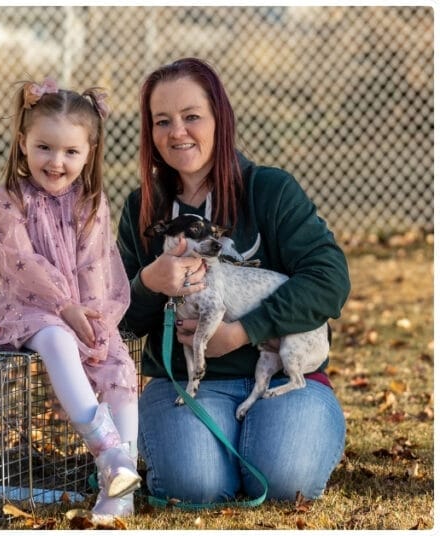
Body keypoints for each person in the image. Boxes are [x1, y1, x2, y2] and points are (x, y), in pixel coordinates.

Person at [116, 57, 349, 505]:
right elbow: (122, 322)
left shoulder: (270, 189)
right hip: (186, 383)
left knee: (285, 481)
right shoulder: (142, 208)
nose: (177, 132)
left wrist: (243, 332)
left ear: (219, 119)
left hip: (282, 369)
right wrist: (150, 281)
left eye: (191, 117)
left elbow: (329, 280)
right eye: (162, 121)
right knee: (196, 487)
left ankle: (270, 440)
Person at [0, 77, 140, 522]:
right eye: (44, 148)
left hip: (82, 309)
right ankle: (111, 455)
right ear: (23, 143)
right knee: (56, 339)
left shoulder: (91, 203)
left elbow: (96, 265)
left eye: (71, 152)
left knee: (117, 363)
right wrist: (66, 308)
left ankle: (120, 490)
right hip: (31, 309)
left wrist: (94, 320)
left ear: (89, 153)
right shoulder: (10, 198)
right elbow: (23, 261)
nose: (56, 162)